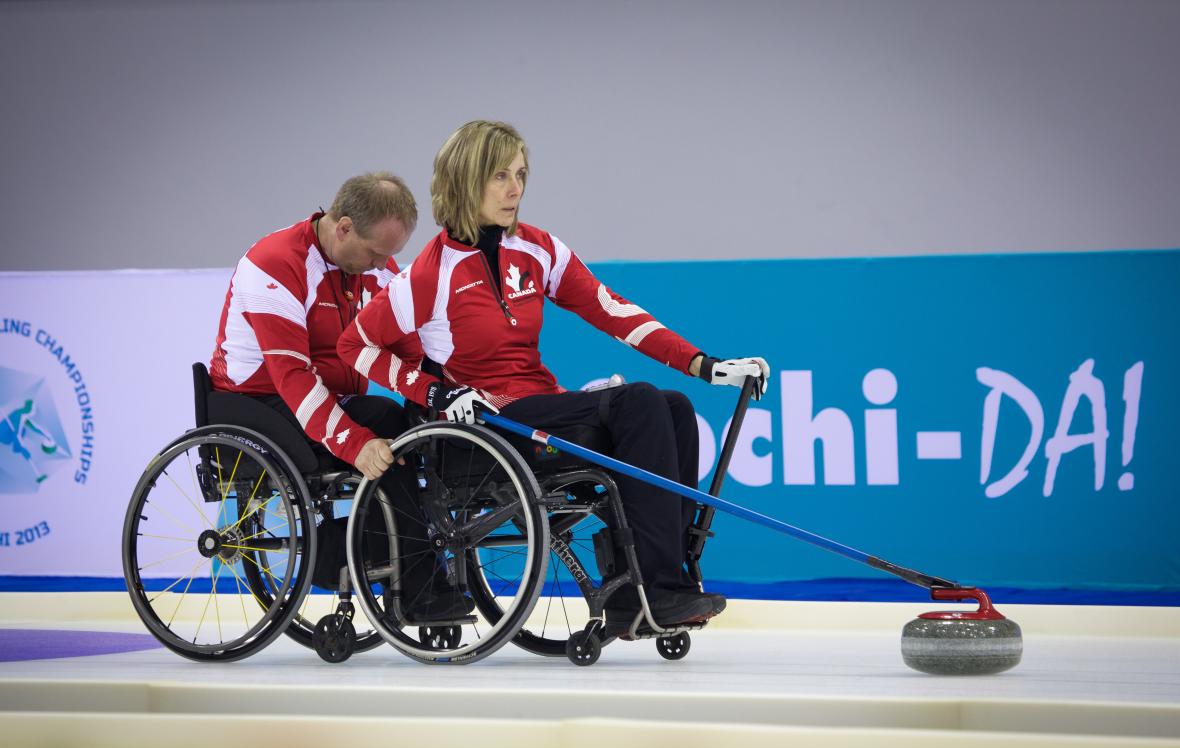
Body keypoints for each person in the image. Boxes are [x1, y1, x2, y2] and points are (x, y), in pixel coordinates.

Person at [337, 122, 769, 632]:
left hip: (539, 402)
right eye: (499, 176)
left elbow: (611, 309)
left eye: (520, 174)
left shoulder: (537, 249)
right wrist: (434, 391)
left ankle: (649, 584)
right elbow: (355, 345)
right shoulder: (431, 274)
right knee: (639, 402)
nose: (515, 189)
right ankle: (653, 588)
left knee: (673, 406)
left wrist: (701, 363)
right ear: (464, 181)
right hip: (489, 421)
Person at [209, 171, 468, 619]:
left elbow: (412, 350)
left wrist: (447, 395)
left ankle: (390, 553)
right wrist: (355, 443)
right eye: (374, 253)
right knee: (382, 425)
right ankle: (415, 582)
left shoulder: (377, 267)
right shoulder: (273, 263)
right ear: (343, 226)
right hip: (257, 404)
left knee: (416, 424)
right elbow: (293, 377)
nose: (381, 264)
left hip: (328, 397)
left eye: (390, 256)